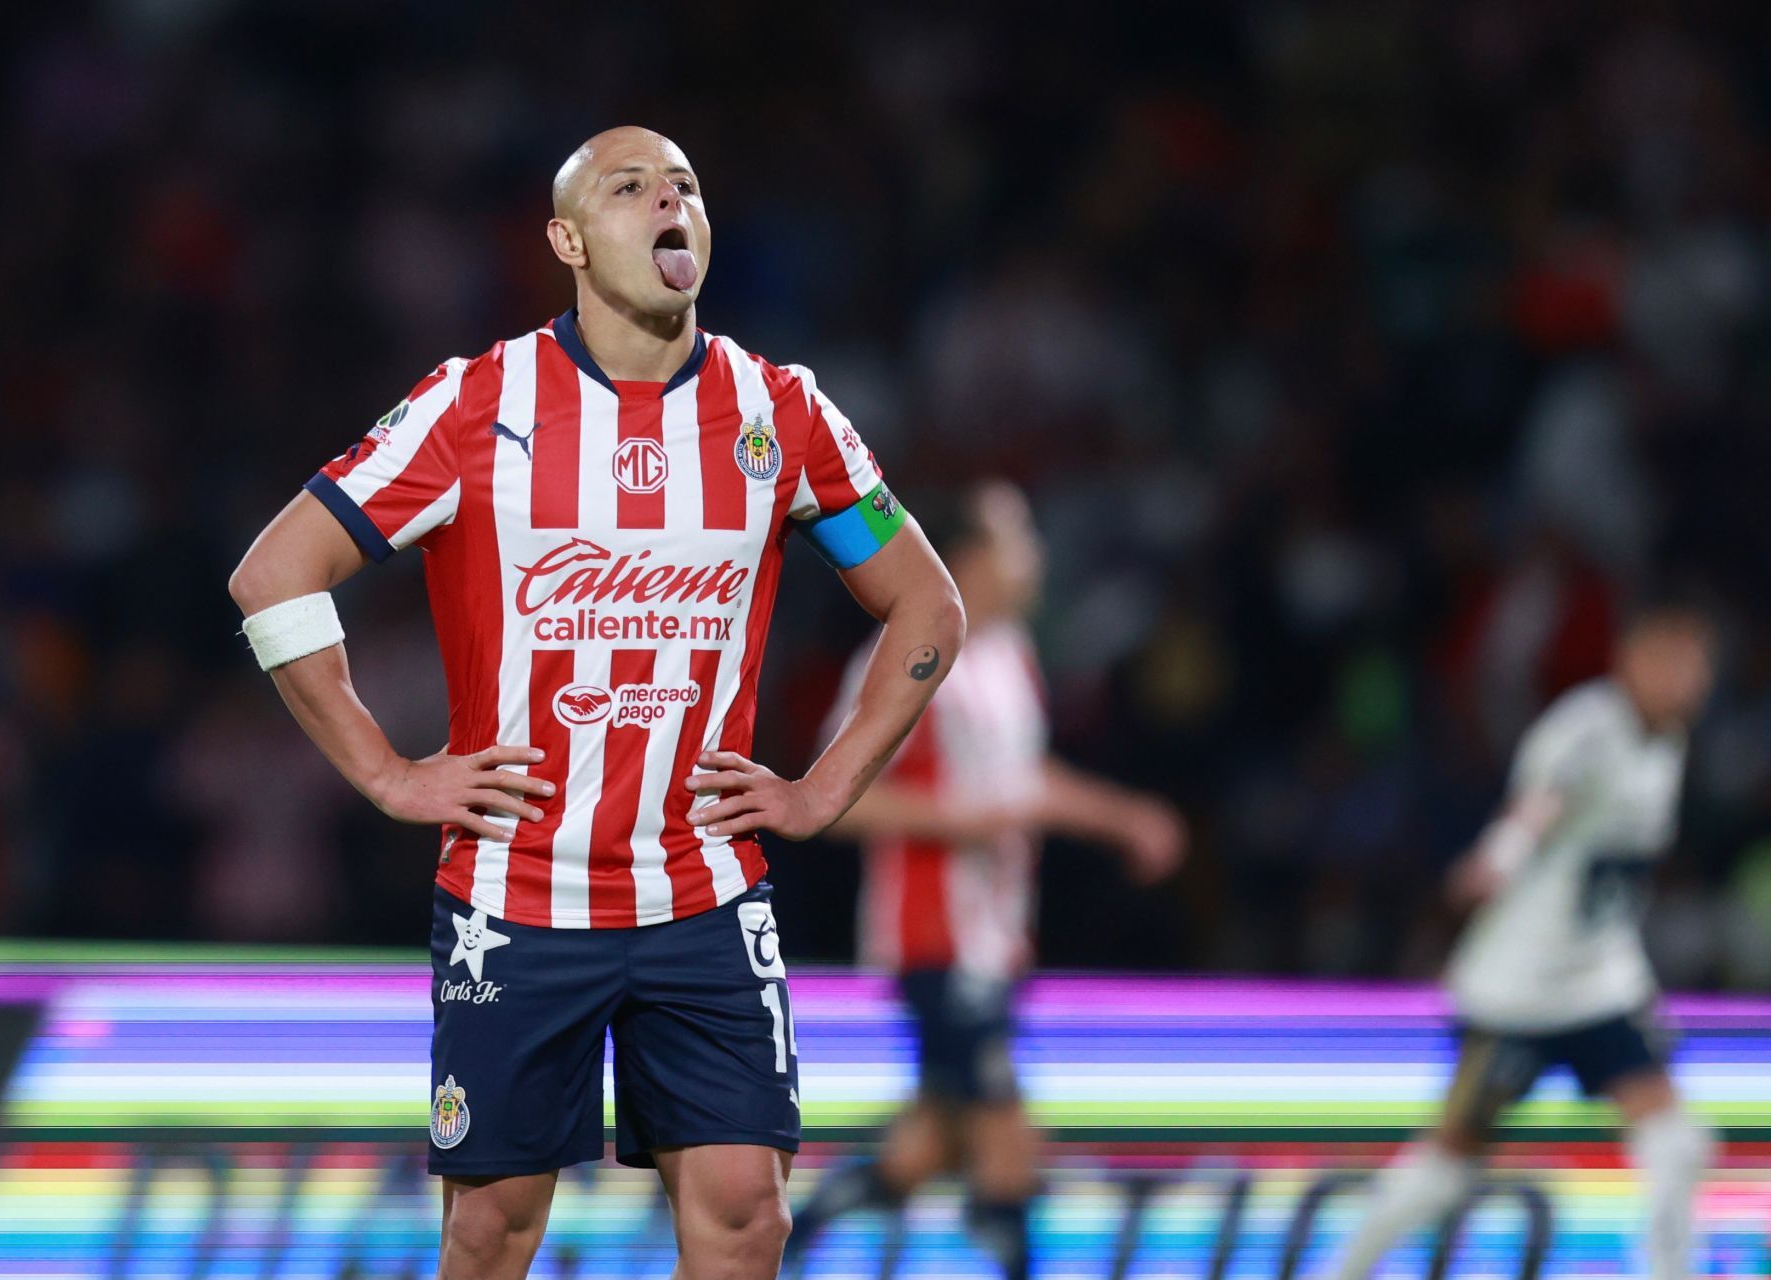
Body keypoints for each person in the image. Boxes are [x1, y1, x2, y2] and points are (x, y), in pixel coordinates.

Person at [227, 126, 965, 1280]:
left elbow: (927, 607)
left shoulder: (783, 414)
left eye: (687, 185)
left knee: (745, 1212)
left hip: (707, 888)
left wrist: (824, 790)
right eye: (631, 188)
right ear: (568, 239)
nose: (670, 201)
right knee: (491, 1226)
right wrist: (387, 770)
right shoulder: (476, 404)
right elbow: (274, 574)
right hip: (517, 895)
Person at [785, 481, 1185, 1280]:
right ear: (970, 556)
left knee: (926, 1147)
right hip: (932, 935)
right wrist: (958, 820)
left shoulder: (1007, 654)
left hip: (994, 937)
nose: (1034, 556)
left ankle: (790, 1242)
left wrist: (1123, 818)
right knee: (1008, 1137)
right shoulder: (912, 651)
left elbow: (1022, 782)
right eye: (1019, 538)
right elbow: (832, 796)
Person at [1330, 604, 1718, 1280]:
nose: (1682, 679)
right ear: (1628, 660)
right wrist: (1498, 858)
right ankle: (1344, 1270)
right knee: (1447, 1163)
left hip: (1601, 982)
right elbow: (1538, 803)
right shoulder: (1588, 727)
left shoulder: (1670, 741)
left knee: (1678, 1144)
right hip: (1521, 991)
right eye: (1667, 661)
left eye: (1692, 666)